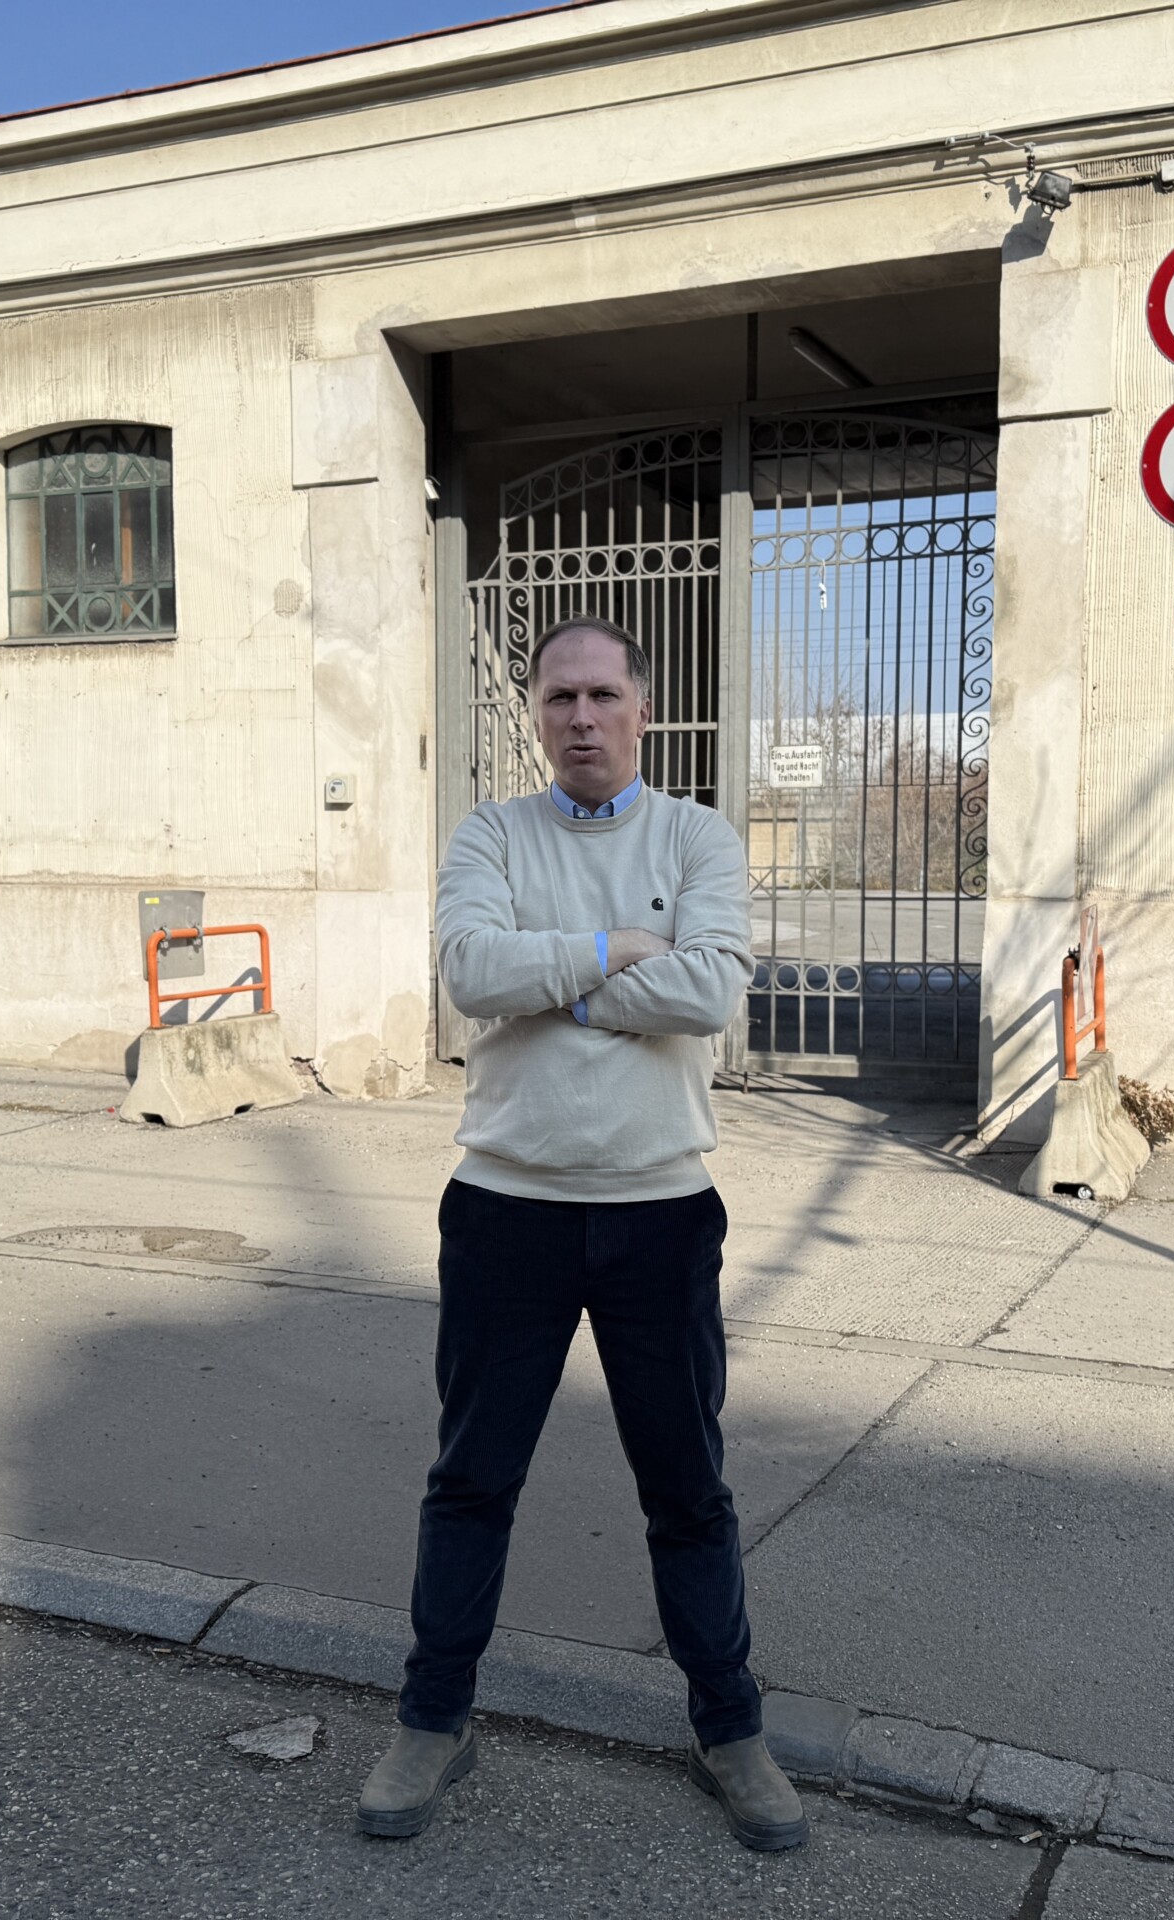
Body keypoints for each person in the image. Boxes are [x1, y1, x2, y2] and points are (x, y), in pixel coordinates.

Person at [355, 613, 805, 1852]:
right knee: (470, 1481)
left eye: (604, 695)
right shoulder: (491, 835)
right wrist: (615, 950)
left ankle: (730, 1729)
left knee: (688, 1489)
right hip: (509, 1211)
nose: (582, 717)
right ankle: (432, 1720)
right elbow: (469, 974)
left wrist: (552, 984)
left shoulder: (697, 837)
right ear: (537, 714)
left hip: (660, 1214)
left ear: (641, 709)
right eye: (560, 697)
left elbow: (709, 991)